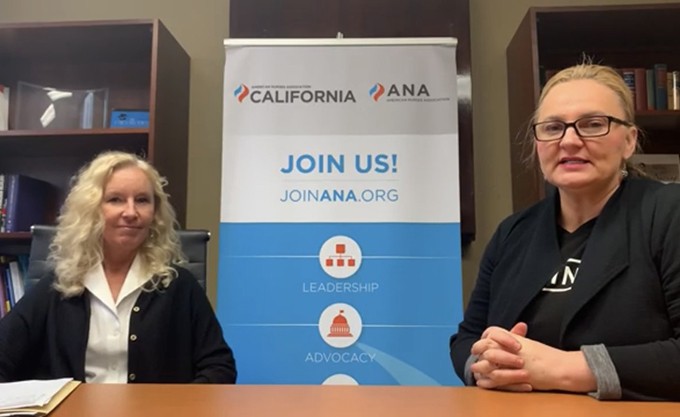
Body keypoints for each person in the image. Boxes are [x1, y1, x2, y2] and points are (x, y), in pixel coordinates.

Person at [449, 63, 680, 401]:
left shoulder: (669, 212)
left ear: (629, 141)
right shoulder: (512, 232)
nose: (569, 140)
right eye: (553, 127)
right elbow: (468, 336)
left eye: (593, 124)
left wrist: (564, 368)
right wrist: (482, 363)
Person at [0, 151, 237, 383]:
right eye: (115, 199)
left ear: (154, 213)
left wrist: (175, 408)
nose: (131, 212)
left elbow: (219, 368)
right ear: (92, 210)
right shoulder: (59, 285)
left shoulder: (179, 285)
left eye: (142, 200)